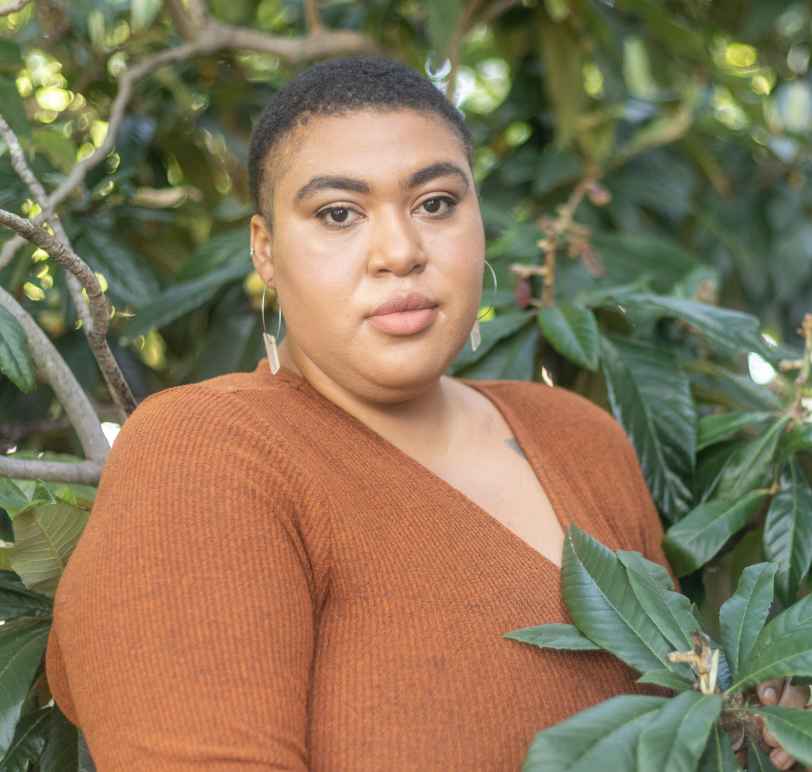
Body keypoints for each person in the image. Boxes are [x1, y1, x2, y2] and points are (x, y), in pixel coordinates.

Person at [44, 54, 809, 771]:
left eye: (436, 203)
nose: (400, 250)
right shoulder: (207, 454)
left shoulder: (581, 436)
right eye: (339, 214)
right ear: (265, 251)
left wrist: (756, 715)